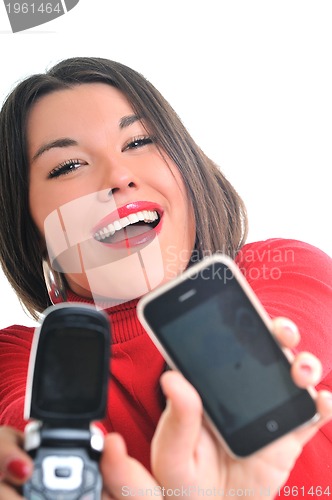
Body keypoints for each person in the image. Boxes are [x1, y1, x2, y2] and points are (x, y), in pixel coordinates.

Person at [0, 57, 331, 499]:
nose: (118, 177)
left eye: (138, 141)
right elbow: (41, 432)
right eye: (67, 167)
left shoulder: (281, 266)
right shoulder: (26, 355)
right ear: (32, 229)